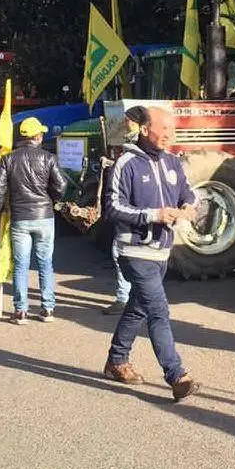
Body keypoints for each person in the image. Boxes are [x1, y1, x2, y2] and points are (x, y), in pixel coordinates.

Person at [102, 105, 201, 402]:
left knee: (139, 307)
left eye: (173, 129)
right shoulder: (126, 164)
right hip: (133, 251)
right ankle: (176, 375)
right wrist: (153, 215)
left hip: (161, 251)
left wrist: (190, 207)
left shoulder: (172, 162)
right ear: (145, 130)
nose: (170, 134)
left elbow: (189, 194)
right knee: (159, 310)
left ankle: (117, 360)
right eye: (164, 128)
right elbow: (112, 208)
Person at [0, 117, 67, 324]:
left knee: (21, 265)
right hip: (45, 217)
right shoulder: (49, 158)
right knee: (45, 263)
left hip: (20, 218)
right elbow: (61, 186)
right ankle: (48, 308)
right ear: (37, 136)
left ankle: (21, 311)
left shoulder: (9, 159)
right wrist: (53, 200)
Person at [101, 105, 148, 316]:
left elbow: (132, 170)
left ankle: (126, 299)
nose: (124, 123)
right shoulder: (133, 144)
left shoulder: (142, 147)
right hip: (131, 208)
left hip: (133, 209)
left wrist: (113, 164)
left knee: (122, 252)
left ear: (138, 123)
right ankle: (136, 297)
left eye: (128, 120)